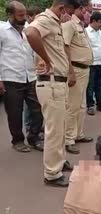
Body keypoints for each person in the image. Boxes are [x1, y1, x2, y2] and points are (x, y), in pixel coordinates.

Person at [25, 0, 79, 186]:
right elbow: (30, 32)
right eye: (69, 13)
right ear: (62, 8)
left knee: (61, 127)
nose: (70, 17)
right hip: (51, 83)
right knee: (54, 131)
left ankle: (59, 161)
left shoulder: (55, 23)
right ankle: (52, 174)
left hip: (58, 84)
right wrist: (47, 61)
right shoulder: (46, 19)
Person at [0, 1, 44, 153]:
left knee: (38, 109)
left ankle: (34, 138)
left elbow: (33, 51)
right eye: (20, 15)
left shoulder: (28, 30)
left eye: (25, 14)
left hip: (31, 76)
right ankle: (18, 140)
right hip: (11, 78)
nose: (24, 17)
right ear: (10, 14)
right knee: (14, 113)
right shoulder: (1, 30)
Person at [62, 0, 94, 155]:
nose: (89, 12)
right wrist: (70, 72)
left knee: (82, 105)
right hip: (76, 69)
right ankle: (68, 139)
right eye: (88, 9)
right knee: (72, 106)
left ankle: (78, 134)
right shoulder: (69, 25)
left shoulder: (81, 26)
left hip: (85, 70)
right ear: (80, 9)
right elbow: (65, 47)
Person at [86, 12, 101, 115]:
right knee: (90, 86)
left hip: (100, 63)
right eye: (100, 22)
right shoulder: (86, 32)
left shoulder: (100, 33)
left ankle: (100, 104)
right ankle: (90, 106)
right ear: (94, 21)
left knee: (99, 86)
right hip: (91, 64)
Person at [24, 5, 43, 133]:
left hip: (37, 71)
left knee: (37, 103)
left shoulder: (38, 30)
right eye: (37, 17)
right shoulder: (25, 31)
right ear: (29, 17)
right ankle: (28, 126)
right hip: (27, 72)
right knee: (29, 105)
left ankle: (35, 127)